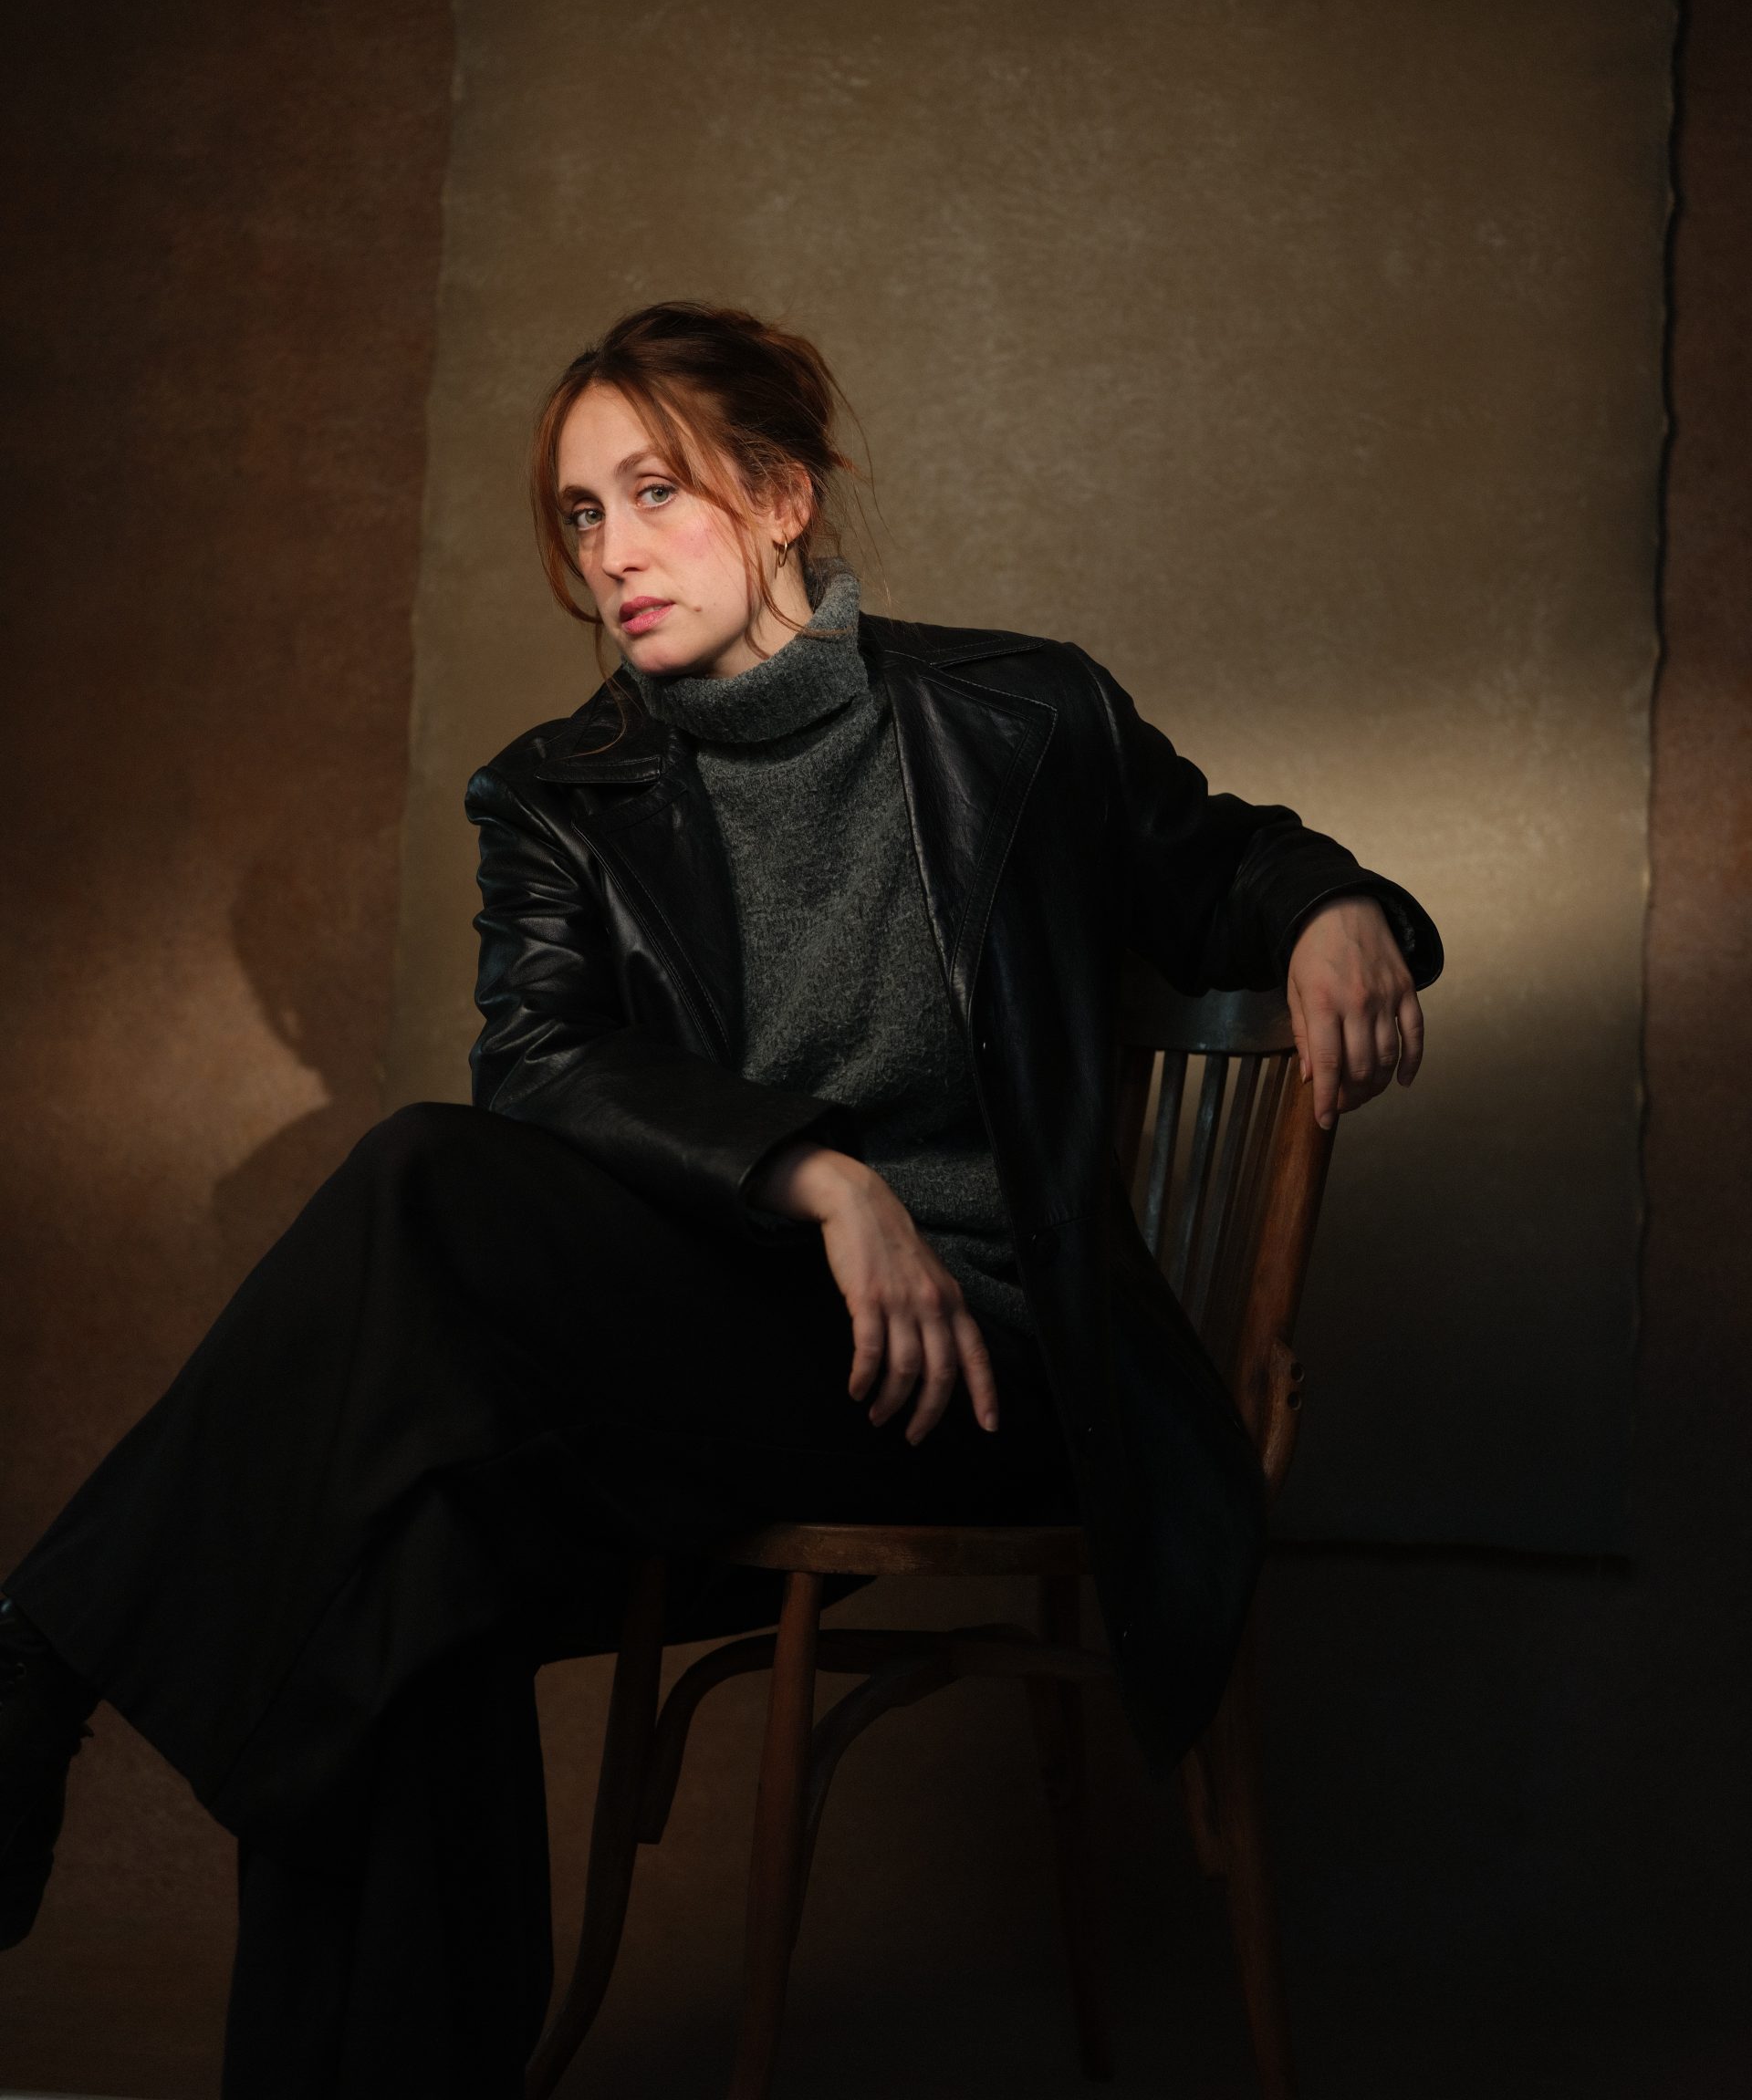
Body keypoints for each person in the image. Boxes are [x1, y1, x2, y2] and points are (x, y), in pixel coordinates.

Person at [0, 301, 1442, 2094]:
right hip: (733, 1349)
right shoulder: (560, 796)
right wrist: (821, 1177)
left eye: (654, 492)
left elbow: (1223, 859)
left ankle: (40, 1655)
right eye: (580, 513)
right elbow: (540, 1061)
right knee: (401, 1542)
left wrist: (1336, 905)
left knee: (412, 1196)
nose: (610, 551)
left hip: (991, 1376)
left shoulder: (1020, 716)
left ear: (779, 496)